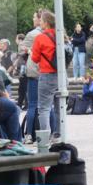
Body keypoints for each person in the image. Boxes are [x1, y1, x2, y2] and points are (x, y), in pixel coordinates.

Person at [31, 10, 60, 140]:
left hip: (47, 75)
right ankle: (58, 135)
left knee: (44, 109)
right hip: (61, 76)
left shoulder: (40, 38)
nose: (40, 22)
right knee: (60, 107)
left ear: (46, 23)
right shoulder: (61, 36)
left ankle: (45, 138)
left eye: (41, 20)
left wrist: (31, 52)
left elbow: (35, 58)